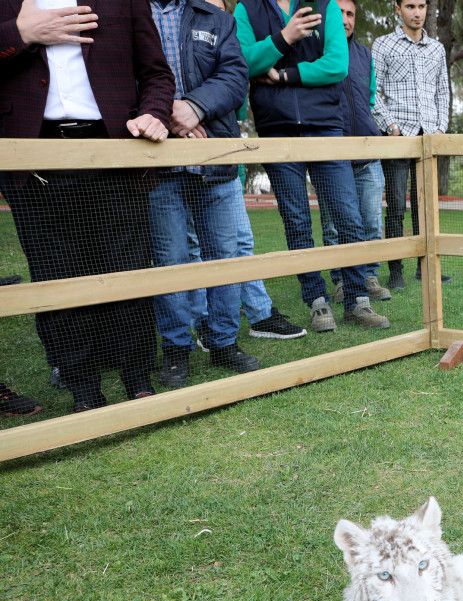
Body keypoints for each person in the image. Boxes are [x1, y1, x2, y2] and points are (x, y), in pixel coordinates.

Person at [0, 0, 175, 411]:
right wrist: (22, 34)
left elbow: (157, 74)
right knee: (56, 276)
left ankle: (138, 380)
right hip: (31, 156)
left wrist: (154, 113)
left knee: (127, 268)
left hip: (115, 148)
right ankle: (83, 390)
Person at [233, 0, 390, 332]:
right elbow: (244, 62)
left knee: (348, 216)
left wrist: (286, 74)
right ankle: (317, 302)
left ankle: (357, 300)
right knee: (296, 219)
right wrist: (284, 37)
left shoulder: (326, 5)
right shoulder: (247, 9)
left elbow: (336, 65)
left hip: (325, 126)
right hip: (277, 129)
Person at [148, 0, 263, 389]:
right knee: (171, 262)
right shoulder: (131, 14)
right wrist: (168, 115)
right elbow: (126, 78)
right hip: (156, 162)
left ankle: (224, 343)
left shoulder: (217, 19)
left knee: (225, 257)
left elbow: (234, 76)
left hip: (215, 158)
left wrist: (196, 107)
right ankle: (177, 350)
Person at [371, 0, 449, 290]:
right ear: (397, 9)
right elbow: (373, 91)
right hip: (397, 138)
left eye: (421, 6)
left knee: (425, 208)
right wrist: (391, 127)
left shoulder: (436, 49)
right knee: (395, 207)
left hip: (428, 138)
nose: (417, 13)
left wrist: (440, 128)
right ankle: (395, 272)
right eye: (410, 6)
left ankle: (425, 267)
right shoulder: (384, 45)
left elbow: (443, 91)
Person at [323, 0, 390, 305]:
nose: (345, 20)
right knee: (335, 225)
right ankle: (340, 280)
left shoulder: (365, 54)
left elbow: (372, 97)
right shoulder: (316, 51)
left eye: (350, 14)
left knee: (372, 222)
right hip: (333, 154)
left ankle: (368, 276)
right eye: (338, 14)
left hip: (368, 153)